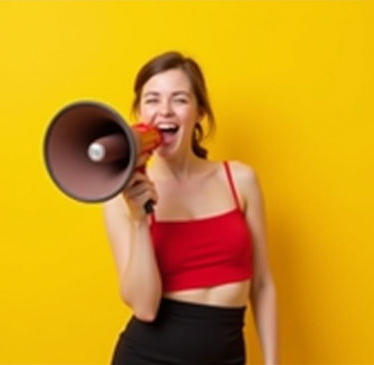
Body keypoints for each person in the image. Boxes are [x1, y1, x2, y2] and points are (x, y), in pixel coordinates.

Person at [104, 51, 278, 364]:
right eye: (152, 100)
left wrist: (272, 362)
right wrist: (140, 220)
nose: (164, 111)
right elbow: (144, 307)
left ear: (199, 112)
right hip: (146, 356)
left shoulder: (239, 179)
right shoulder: (120, 196)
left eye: (180, 100)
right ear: (139, 112)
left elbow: (262, 283)